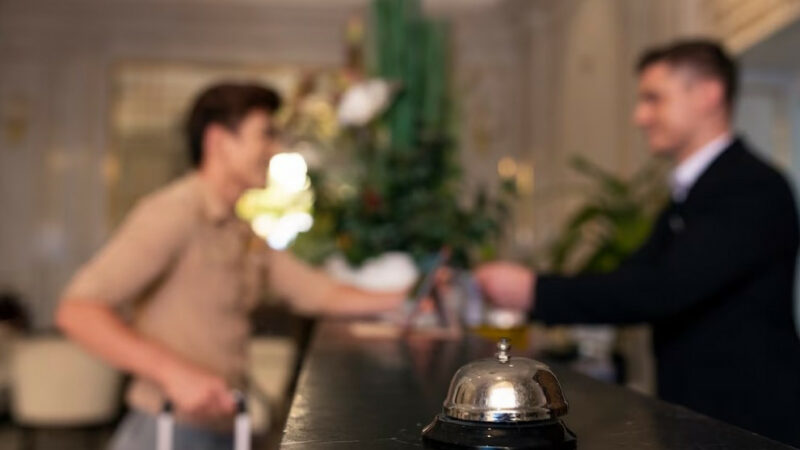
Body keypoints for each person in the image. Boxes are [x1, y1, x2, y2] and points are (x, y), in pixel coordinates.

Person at [475, 39, 800, 446]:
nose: (639, 116)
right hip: (705, 419)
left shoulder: (752, 187)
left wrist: (532, 290)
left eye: (654, 98)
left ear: (707, 94)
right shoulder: (693, 194)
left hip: (751, 424)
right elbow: (632, 277)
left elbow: (661, 288)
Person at [56, 82, 408, 450]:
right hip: (169, 430)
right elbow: (77, 310)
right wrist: (173, 373)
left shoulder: (241, 228)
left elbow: (316, 292)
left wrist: (405, 298)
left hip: (222, 427)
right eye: (265, 135)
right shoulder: (174, 212)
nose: (276, 150)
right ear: (219, 141)